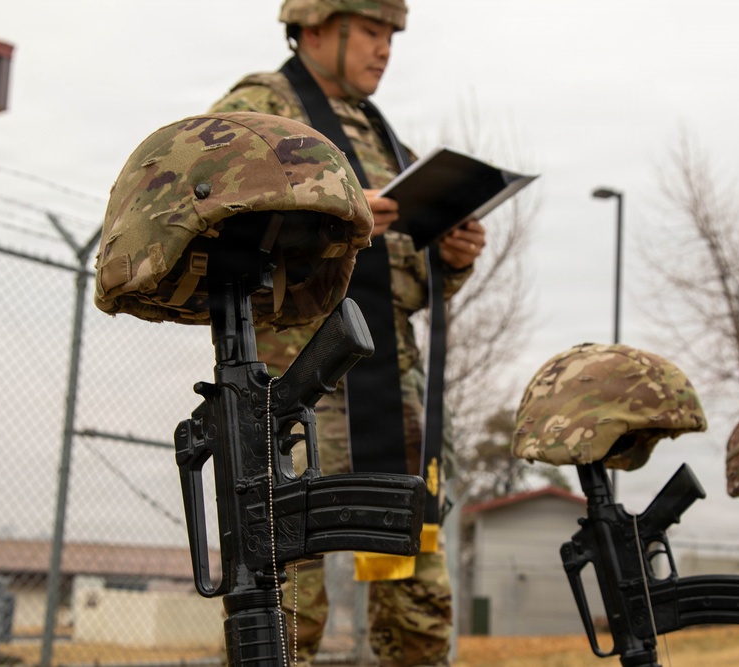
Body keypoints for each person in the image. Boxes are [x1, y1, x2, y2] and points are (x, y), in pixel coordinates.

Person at [208, 2, 486, 666]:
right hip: (295, 378)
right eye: (369, 31)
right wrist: (342, 209)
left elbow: (406, 284)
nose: (384, 48)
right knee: (287, 587)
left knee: (417, 599)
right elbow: (215, 203)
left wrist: (451, 257)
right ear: (314, 28)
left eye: (390, 35)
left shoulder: (385, 138)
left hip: (389, 387)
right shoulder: (262, 105)